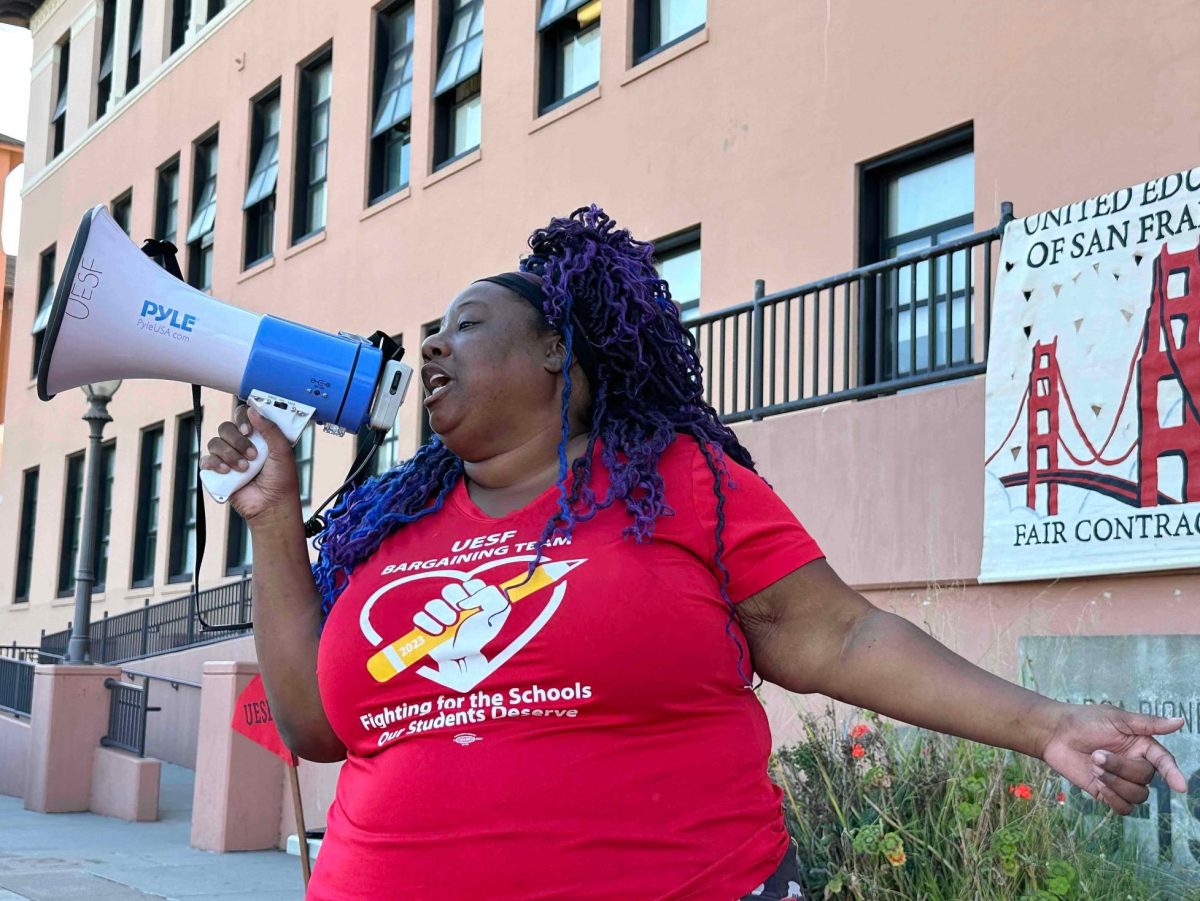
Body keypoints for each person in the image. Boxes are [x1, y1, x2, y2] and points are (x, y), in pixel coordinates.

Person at [202, 206, 1187, 900]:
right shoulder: (390, 525)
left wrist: (1047, 723)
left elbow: (841, 638)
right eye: (428, 338)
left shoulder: (679, 481)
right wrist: (273, 516)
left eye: (463, 325)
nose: (430, 351)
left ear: (558, 351)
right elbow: (318, 723)